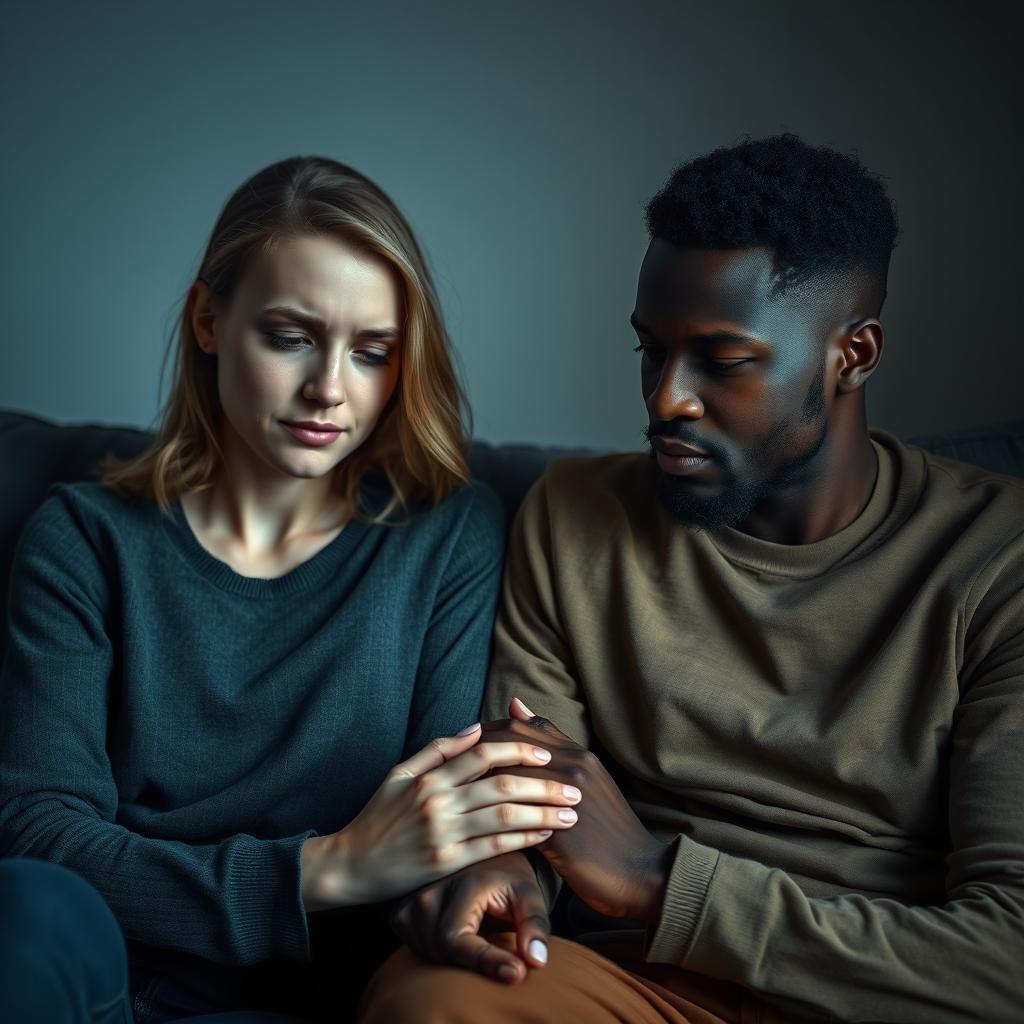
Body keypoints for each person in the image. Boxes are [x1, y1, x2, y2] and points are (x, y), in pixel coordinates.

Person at [360, 135, 1024, 1023]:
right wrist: (500, 874)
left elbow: (1006, 958)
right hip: (629, 987)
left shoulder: (998, 559)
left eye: (722, 359)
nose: (667, 397)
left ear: (853, 355)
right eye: (651, 350)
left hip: (874, 987)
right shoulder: (572, 516)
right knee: (431, 998)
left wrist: (655, 881)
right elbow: (525, 803)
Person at [0, 156, 581, 1022]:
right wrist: (328, 868)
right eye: (291, 336)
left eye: (372, 352)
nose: (330, 390)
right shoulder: (84, 539)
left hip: (351, 991)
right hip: (108, 983)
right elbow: (39, 838)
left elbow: (445, 819)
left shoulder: (449, 536)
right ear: (208, 319)